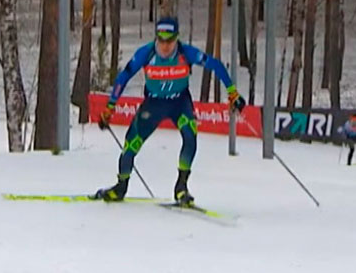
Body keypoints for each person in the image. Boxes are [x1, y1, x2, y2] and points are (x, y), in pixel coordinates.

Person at [94, 17, 247, 204]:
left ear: (176, 38)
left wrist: (232, 92)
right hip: (153, 105)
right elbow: (124, 77)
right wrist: (111, 106)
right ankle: (121, 187)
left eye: (170, 41)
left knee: (190, 136)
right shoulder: (147, 53)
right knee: (131, 145)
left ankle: (181, 187)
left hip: (179, 103)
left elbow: (215, 65)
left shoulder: (186, 53)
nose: (165, 46)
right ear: (156, 38)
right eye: (161, 40)